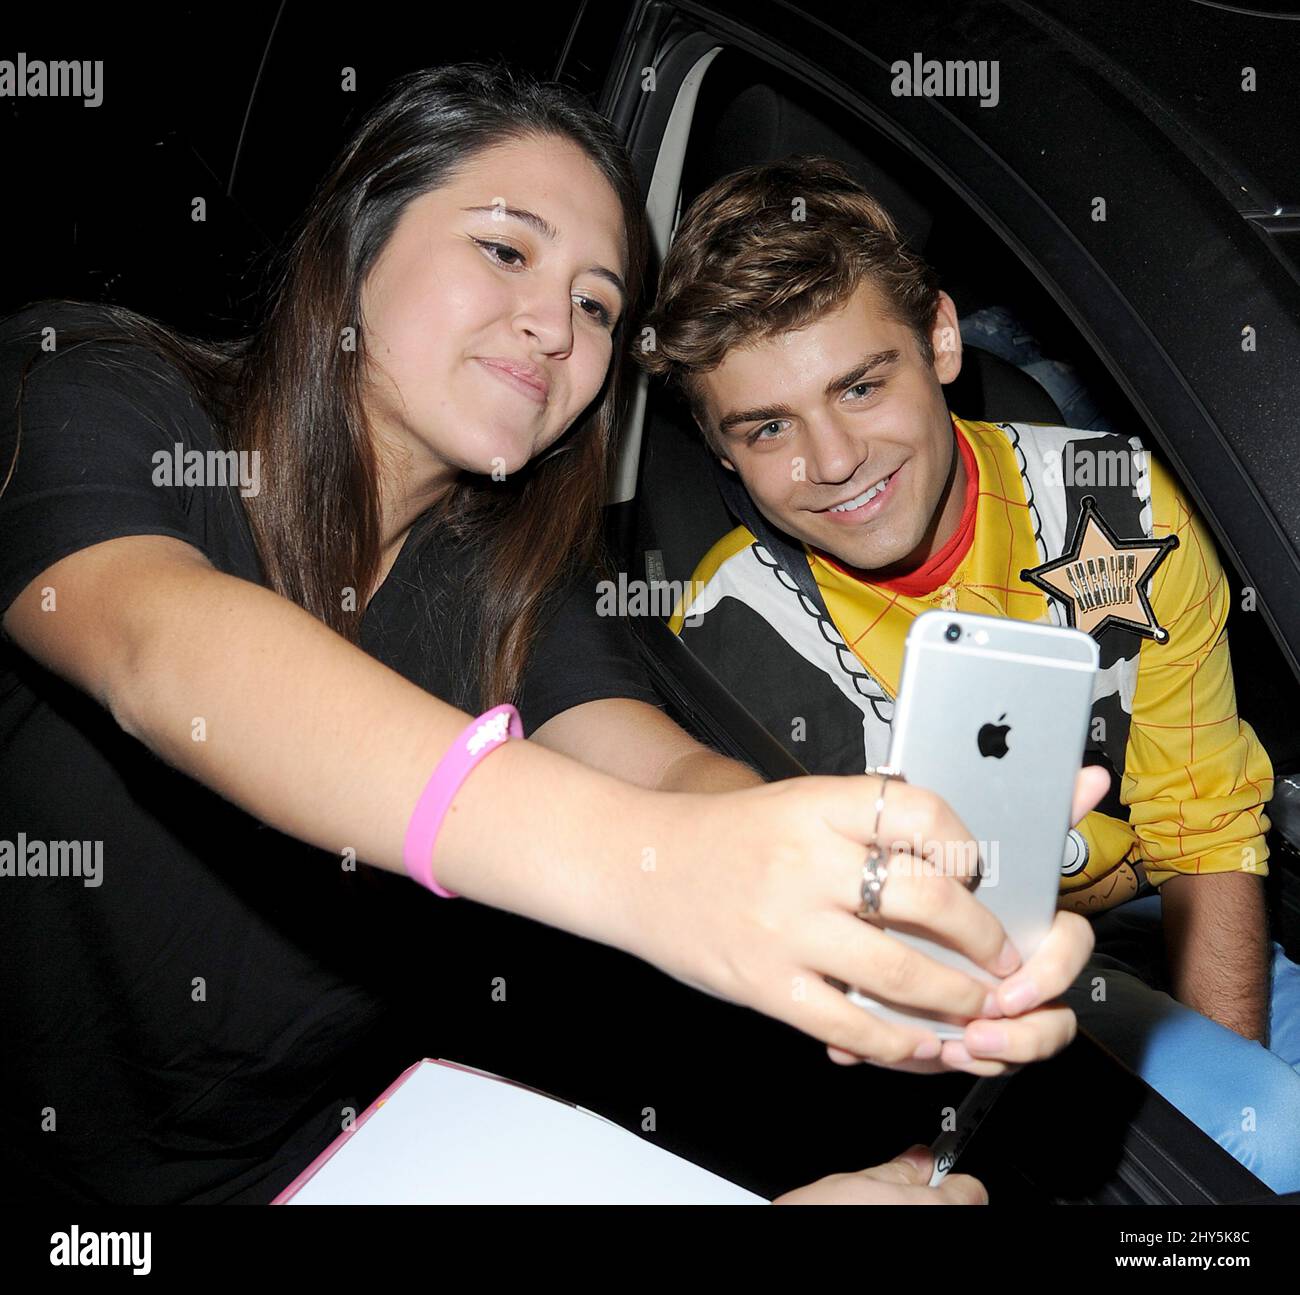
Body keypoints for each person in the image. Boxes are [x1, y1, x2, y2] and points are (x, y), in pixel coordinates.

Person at [0, 67, 1099, 1206]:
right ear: (355, 242)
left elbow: (665, 771)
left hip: (311, 1163)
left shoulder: (508, 586)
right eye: (506, 250)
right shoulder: (86, 391)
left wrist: (861, 890)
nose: (552, 325)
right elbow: (158, 646)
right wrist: (660, 872)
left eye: (595, 304)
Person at [641, 155, 1300, 1192]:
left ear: (941, 340)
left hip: (1167, 915)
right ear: (720, 452)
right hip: (975, 986)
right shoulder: (729, 636)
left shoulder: (1118, 506)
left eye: (861, 386)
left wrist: (1224, 1120)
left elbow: (1206, 826)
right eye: (767, 427)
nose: (834, 459)